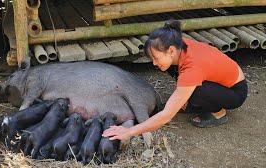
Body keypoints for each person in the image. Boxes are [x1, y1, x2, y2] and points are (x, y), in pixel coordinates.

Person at [103, 20, 248, 142]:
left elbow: (167, 115)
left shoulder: (192, 68)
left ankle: (218, 113)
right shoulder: (178, 45)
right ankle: (191, 99)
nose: (153, 63)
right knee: (171, 70)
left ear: (171, 50)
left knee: (196, 90)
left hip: (235, 92)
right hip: (219, 81)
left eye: (156, 57)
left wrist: (129, 131)